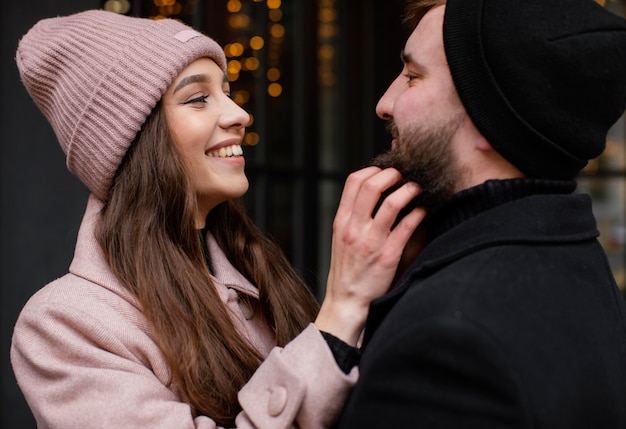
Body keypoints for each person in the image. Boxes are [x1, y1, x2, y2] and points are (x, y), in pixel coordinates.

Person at [10, 10, 424, 429]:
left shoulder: (257, 274)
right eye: (197, 98)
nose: (239, 115)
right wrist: (340, 309)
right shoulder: (65, 325)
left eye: (227, 93)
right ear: (132, 141)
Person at [335, 0, 626, 428]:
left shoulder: (446, 344)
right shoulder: (578, 262)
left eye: (413, 77)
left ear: (488, 118)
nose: (385, 102)